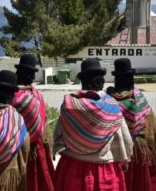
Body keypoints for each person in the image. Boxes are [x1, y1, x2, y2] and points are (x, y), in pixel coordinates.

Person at [53, 58, 133, 191]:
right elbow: (125, 139)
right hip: (104, 169)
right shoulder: (111, 106)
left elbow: (59, 134)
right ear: (101, 82)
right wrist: (125, 158)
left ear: (83, 82)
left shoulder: (69, 105)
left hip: (72, 167)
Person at [106, 58, 156, 190]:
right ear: (131, 77)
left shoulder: (107, 100)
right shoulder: (140, 98)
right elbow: (153, 128)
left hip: (117, 153)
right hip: (141, 154)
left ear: (116, 78)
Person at [12, 54, 55, 191]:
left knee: (39, 180)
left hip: (36, 146)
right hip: (19, 148)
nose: (32, 77)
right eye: (29, 73)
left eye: (33, 73)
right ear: (21, 73)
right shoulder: (12, 94)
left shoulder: (34, 93)